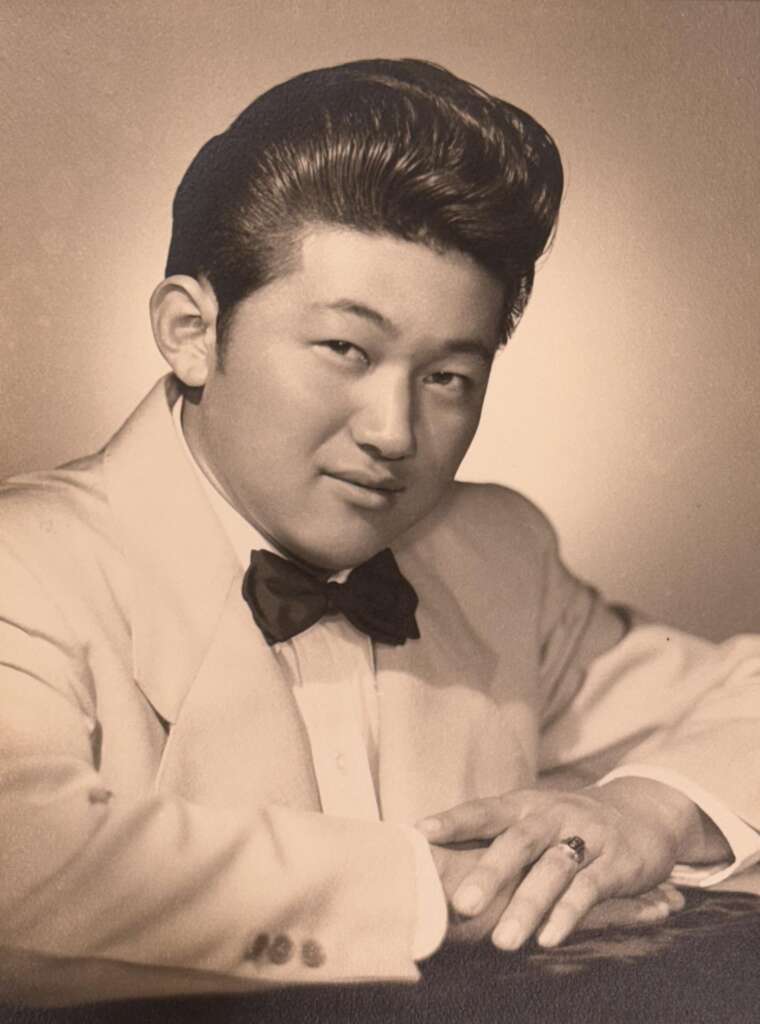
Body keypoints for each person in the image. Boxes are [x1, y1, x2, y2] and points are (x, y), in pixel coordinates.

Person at [1, 58, 758, 1007]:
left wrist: (645, 810)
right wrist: (431, 893)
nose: (394, 433)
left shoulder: (496, 553)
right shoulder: (21, 567)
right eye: (346, 350)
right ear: (191, 330)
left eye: (448, 376)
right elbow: (22, 870)